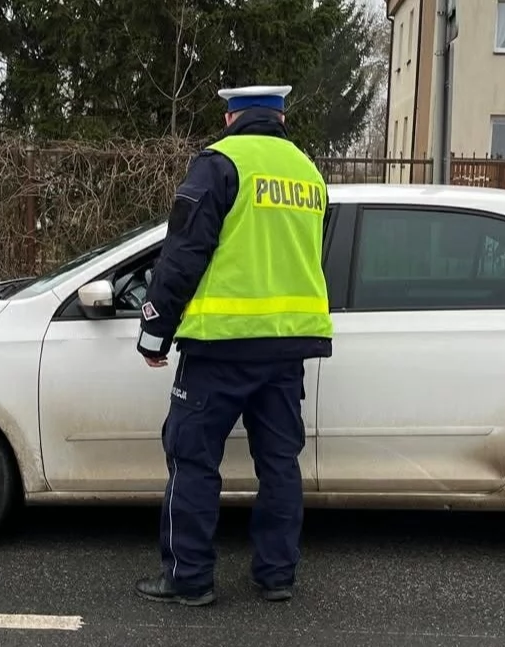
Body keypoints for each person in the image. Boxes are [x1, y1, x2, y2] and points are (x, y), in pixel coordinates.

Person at [133, 85, 334, 607]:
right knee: (279, 464)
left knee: (193, 462)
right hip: (288, 347)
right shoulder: (308, 173)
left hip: (219, 348)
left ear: (231, 116)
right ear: (281, 117)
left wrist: (155, 329)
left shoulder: (220, 162)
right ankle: (277, 577)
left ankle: (189, 579)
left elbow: (183, 253)